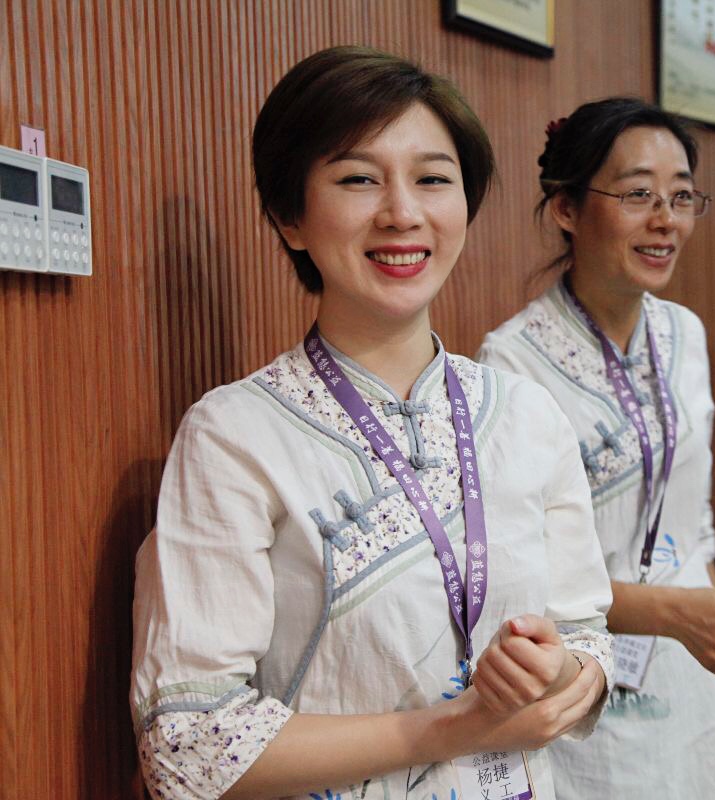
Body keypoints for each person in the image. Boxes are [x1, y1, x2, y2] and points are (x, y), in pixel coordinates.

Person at [129, 47, 614, 800]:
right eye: (359, 179)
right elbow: (189, 747)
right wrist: (453, 727)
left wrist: (558, 671)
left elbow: (587, 638)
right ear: (290, 217)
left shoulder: (525, 414)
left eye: (433, 179)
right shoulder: (234, 436)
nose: (402, 213)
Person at [478, 97, 715, 800]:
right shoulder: (511, 365)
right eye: (637, 195)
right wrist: (678, 614)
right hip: (588, 678)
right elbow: (523, 576)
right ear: (566, 208)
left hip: (699, 664)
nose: (666, 220)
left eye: (681, 196)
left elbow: (692, 518)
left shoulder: (684, 332)